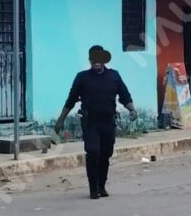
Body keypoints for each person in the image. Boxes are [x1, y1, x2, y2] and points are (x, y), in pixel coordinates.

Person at [55, 45, 137, 200]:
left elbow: (124, 95)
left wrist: (132, 110)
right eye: (93, 59)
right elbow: (71, 100)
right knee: (93, 152)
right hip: (90, 123)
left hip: (108, 122)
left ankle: (102, 186)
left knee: (106, 154)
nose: (96, 62)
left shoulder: (114, 76)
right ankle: (93, 188)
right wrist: (60, 121)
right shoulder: (82, 77)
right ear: (90, 60)